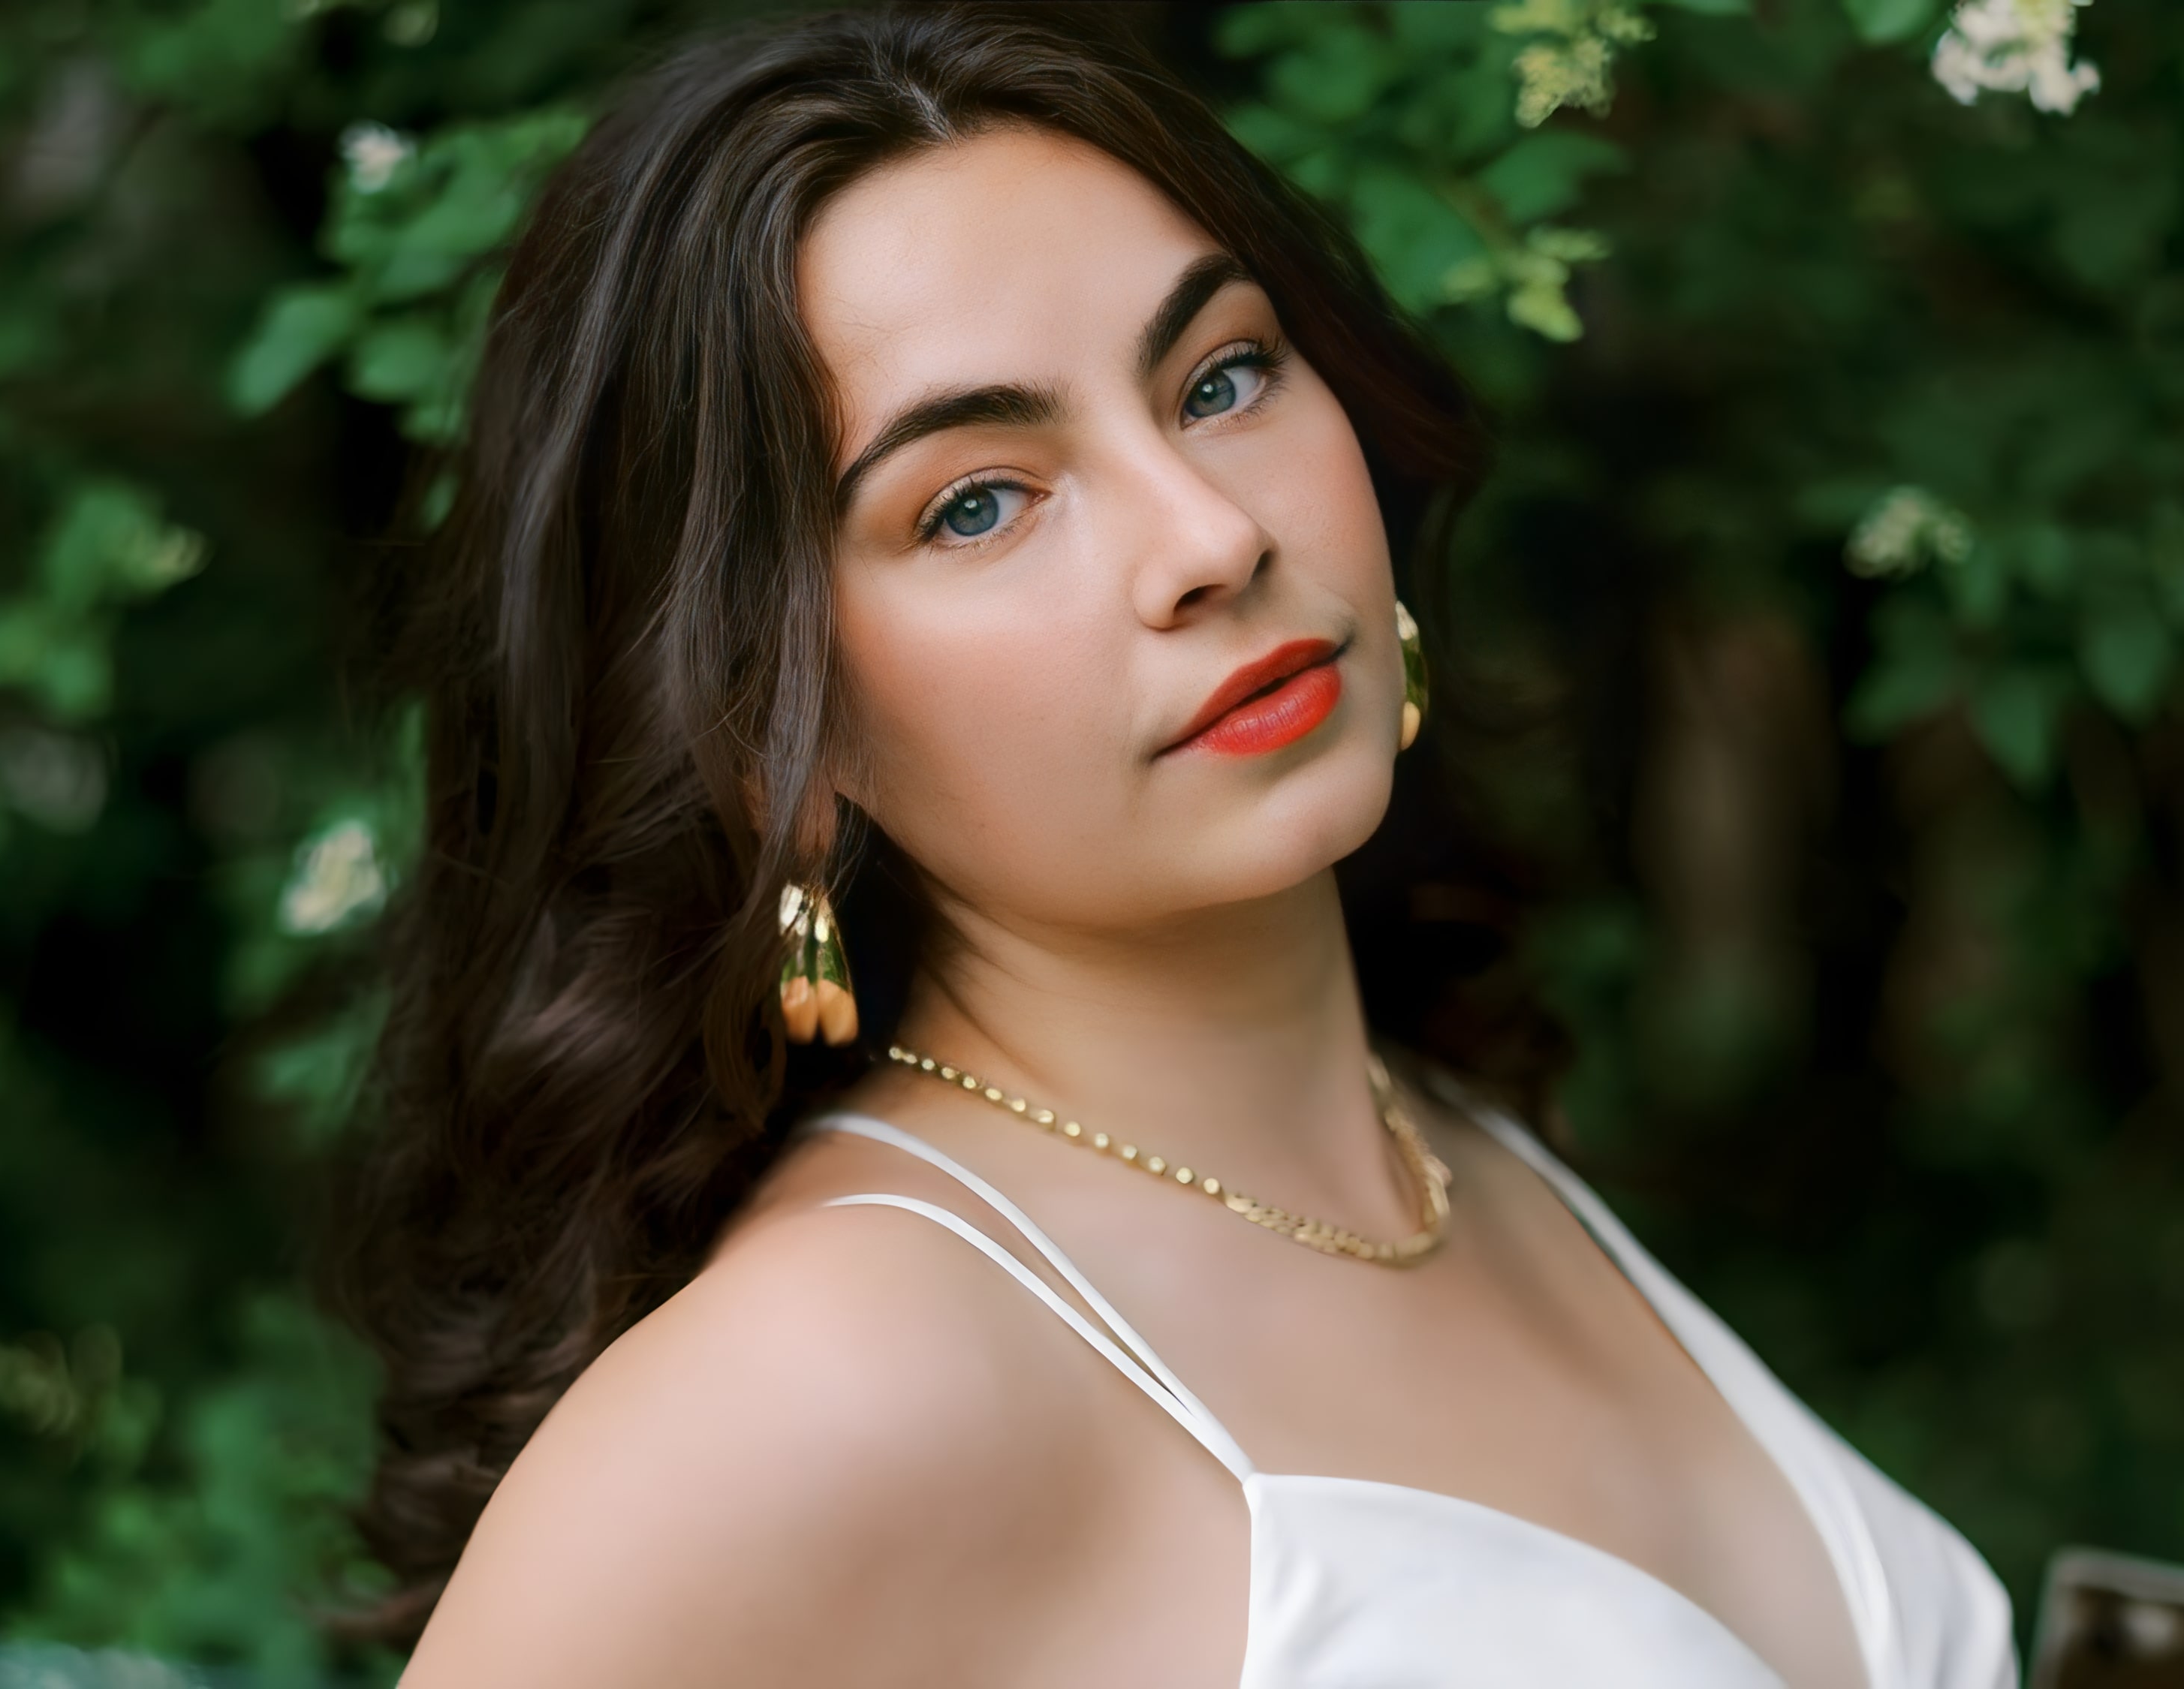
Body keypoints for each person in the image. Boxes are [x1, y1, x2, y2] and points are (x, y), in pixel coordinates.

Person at [330, 8, 2017, 1685]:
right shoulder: (837, 1372)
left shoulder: (1454, 1151)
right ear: (767, 729)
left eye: (1220, 380)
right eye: (977, 500)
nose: (1212, 535)